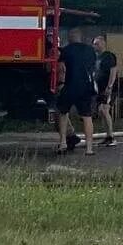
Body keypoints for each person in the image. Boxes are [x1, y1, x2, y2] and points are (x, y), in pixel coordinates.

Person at [54, 28, 98, 156]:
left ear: (72, 36)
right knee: (87, 116)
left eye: (69, 35)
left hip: (70, 86)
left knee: (62, 113)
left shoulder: (67, 50)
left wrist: (60, 84)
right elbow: (94, 67)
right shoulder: (90, 50)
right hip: (86, 87)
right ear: (81, 36)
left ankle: (63, 143)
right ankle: (89, 149)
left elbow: (61, 68)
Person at [92, 35, 119, 146]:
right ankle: (107, 136)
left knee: (104, 109)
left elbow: (113, 71)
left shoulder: (108, 56)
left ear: (103, 43)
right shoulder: (97, 58)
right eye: (94, 44)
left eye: (97, 44)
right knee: (101, 111)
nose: (95, 46)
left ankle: (111, 137)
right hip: (100, 88)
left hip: (108, 88)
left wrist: (110, 86)